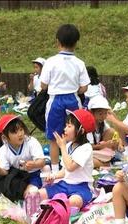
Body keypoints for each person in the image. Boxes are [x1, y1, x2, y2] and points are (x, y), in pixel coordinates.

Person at [40, 24, 90, 175]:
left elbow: (43, 85)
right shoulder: (79, 63)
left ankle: (55, 171)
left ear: (57, 41)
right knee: (76, 134)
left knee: (54, 137)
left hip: (55, 100)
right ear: (76, 43)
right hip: (73, 100)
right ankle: (72, 165)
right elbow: (84, 87)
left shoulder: (50, 61)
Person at [38, 109, 95, 209]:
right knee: (39, 194)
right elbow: (65, 171)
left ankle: (57, 208)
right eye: (66, 125)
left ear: (81, 130)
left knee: (73, 202)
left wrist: (62, 147)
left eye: (69, 126)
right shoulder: (68, 145)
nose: (65, 129)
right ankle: (38, 214)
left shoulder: (86, 148)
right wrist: (54, 176)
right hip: (65, 184)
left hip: (82, 187)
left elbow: (70, 167)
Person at [0, 114, 46, 197]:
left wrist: (34, 164)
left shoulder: (31, 142)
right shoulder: (3, 150)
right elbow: (4, 172)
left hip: (34, 174)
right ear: (5, 138)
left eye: (21, 129)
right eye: (15, 132)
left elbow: (42, 162)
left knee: (30, 193)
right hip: (17, 176)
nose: (20, 134)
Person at [87, 95, 118, 168]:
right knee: (89, 161)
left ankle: (104, 161)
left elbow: (114, 134)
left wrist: (116, 143)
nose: (103, 116)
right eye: (100, 113)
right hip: (89, 152)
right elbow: (89, 147)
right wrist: (104, 145)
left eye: (105, 113)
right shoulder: (88, 126)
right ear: (91, 112)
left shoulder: (103, 124)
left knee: (112, 131)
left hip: (99, 152)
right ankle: (105, 164)